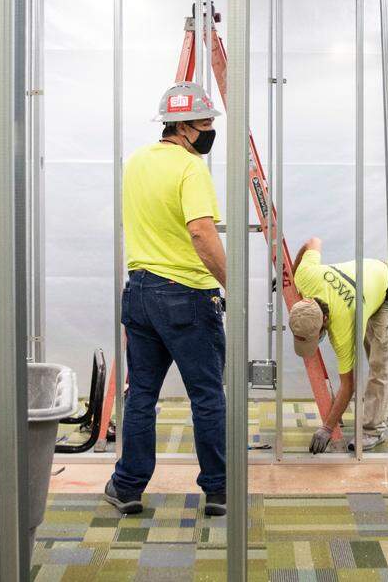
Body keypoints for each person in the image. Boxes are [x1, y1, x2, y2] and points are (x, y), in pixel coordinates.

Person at [104, 81, 229, 517]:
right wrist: (231, 281)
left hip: (138, 293)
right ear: (183, 127)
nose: (211, 130)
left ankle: (127, 486)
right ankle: (218, 490)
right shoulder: (192, 169)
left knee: (141, 394)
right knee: (208, 395)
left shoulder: (137, 162)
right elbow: (200, 231)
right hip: (186, 298)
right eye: (206, 123)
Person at [288, 236, 388, 454]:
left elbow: (348, 385)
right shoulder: (305, 277)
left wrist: (326, 428)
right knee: (375, 356)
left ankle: (373, 429)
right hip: (370, 278)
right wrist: (291, 275)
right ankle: (384, 405)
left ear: (324, 322)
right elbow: (313, 241)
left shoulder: (343, 330)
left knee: (379, 364)